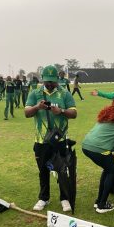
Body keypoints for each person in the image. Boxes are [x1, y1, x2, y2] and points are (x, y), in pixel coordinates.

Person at [24, 65, 77, 212]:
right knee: (43, 170)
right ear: (43, 79)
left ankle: (64, 198)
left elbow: (74, 113)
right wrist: (37, 107)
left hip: (60, 140)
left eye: (52, 81)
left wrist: (61, 111)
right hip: (41, 141)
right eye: (47, 81)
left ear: (57, 80)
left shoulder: (64, 93)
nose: (49, 84)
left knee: (62, 169)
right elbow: (27, 113)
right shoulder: (35, 93)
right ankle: (44, 198)